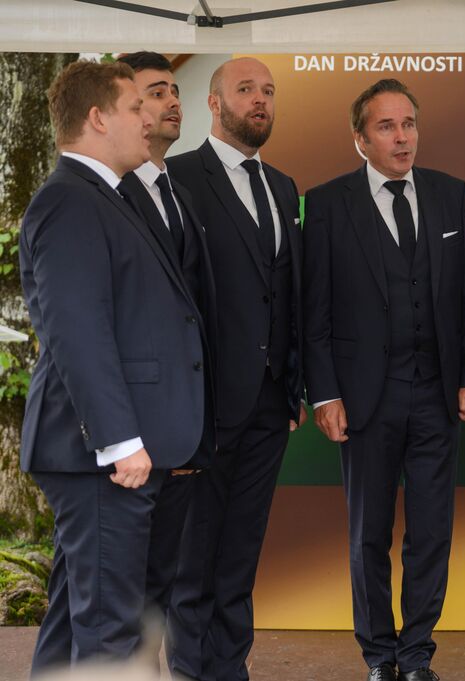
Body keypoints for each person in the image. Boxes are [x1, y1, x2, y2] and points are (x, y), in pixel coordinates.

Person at [20, 59, 208, 672]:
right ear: (98, 118)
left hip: (117, 454)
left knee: (79, 618)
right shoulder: (70, 201)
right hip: (103, 457)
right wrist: (120, 441)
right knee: (109, 631)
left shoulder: (107, 195)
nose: (148, 118)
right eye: (134, 107)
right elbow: (77, 331)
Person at [302, 78, 465, 681]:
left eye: (409, 123)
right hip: (364, 400)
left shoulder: (450, 195)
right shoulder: (326, 204)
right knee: (368, 536)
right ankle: (379, 656)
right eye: (386, 126)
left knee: (432, 534)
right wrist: (325, 393)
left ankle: (416, 655)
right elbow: (314, 313)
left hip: (436, 395)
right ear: (360, 138)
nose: (402, 136)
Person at [165, 57, 305, 681]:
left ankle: (229, 668)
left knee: (241, 552)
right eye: (246, 89)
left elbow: (288, 290)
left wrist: (294, 384)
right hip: (205, 406)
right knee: (194, 555)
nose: (260, 100)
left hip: (271, 405)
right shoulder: (177, 178)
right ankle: (191, 670)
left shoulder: (283, 187)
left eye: (268, 91)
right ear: (215, 103)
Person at [113, 51, 218, 670]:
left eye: (175, 90)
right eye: (156, 92)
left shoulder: (174, 189)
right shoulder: (108, 193)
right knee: (115, 596)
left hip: (180, 433)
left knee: (159, 585)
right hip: (131, 437)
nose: (172, 102)